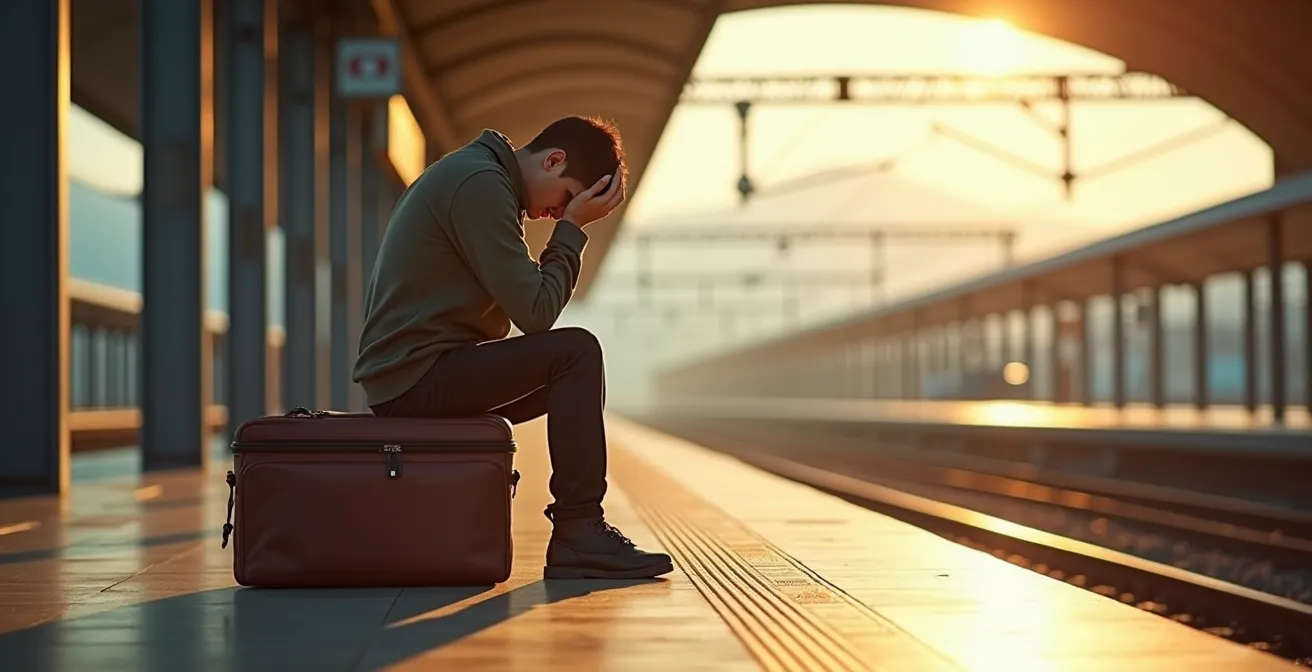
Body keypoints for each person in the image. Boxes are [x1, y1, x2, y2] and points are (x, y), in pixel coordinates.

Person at [352, 116, 673, 580]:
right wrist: (573, 229)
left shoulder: (479, 176)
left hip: (417, 372)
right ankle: (578, 531)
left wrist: (568, 220)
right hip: (416, 379)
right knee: (576, 353)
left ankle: (578, 531)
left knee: (574, 377)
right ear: (553, 159)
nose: (556, 212)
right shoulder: (480, 184)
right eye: (566, 198)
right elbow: (537, 314)